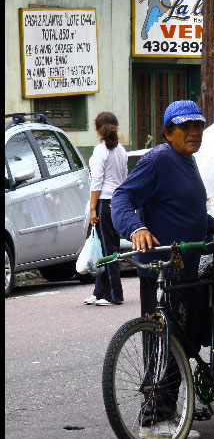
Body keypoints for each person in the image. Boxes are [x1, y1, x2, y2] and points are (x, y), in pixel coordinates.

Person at [111, 100, 214, 439]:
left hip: (186, 268)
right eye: (185, 127)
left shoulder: (186, 160)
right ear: (168, 132)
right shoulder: (159, 159)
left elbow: (179, 206)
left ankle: (169, 410)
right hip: (164, 270)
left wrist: (210, 224)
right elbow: (121, 198)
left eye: (198, 126)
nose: (194, 133)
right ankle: (155, 419)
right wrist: (135, 229)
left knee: (185, 341)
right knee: (168, 345)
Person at [84, 111, 128, 306]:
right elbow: (124, 178)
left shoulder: (100, 151)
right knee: (106, 248)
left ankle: (114, 294)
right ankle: (99, 291)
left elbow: (97, 182)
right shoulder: (122, 151)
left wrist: (93, 208)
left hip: (104, 203)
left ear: (97, 129)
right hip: (117, 202)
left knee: (108, 250)